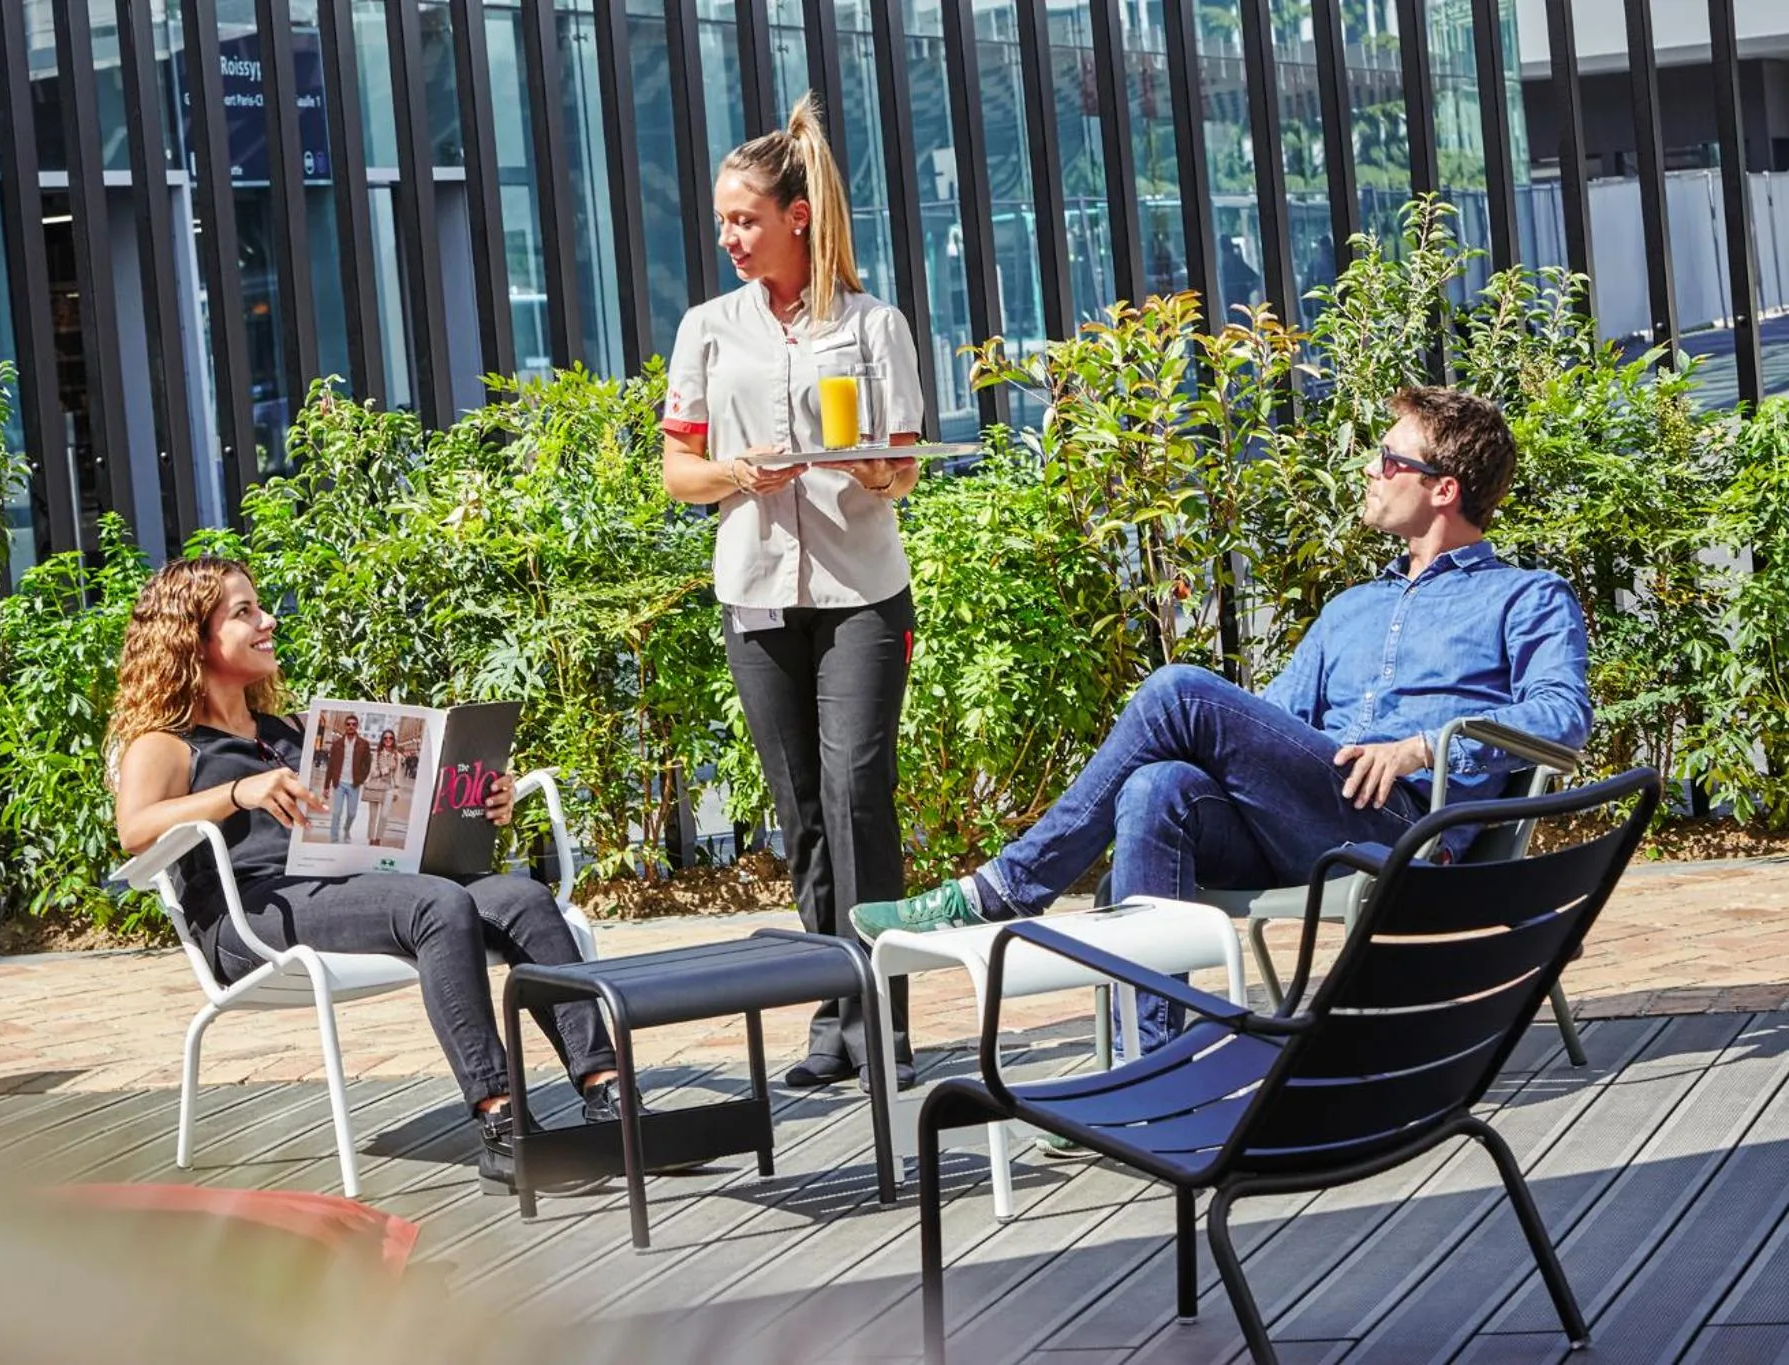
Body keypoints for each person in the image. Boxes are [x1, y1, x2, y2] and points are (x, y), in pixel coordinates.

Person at [849, 387, 1593, 1056]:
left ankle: (1002, 891)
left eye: (1389, 459)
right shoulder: (1351, 608)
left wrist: (1416, 749)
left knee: (1178, 691)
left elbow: (1563, 716)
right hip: (1306, 820)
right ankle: (1148, 1067)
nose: (1370, 468)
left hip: (1402, 835)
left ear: (1444, 489)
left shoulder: (1525, 597)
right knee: (1158, 787)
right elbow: (1274, 724)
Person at [109, 556, 630, 1195]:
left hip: (348, 886)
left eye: (259, 606)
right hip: (254, 915)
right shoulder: (166, 744)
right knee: (436, 905)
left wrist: (478, 795)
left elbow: (393, 816)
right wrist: (240, 791)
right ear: (192, 635)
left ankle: (608, 1097)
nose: (267, 620)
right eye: (244, 612)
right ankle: (501, 1125)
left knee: (521, 897)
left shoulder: (294, 731)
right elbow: (135, 829)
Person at [662, 90, 927, 1094]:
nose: (728, 237)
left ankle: (885, 1023)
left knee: (858, 793)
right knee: (801, 811)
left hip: (862, 591)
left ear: (795, 217)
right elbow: (677, 474)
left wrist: (874, 474)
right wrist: (738, 473)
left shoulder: (871, 326)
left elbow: (899, 463)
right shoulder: (707, 329)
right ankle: (834, 1014)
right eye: (722, 221)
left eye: (743, 219)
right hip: (757, 596)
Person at [325, 714, 371, 842]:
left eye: (353, 724)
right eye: (348, 724)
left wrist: (361, 778)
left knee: (352, 813)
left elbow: (367, 764)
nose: (351, 726)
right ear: (345, 726)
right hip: (339, 783)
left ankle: (346, 830)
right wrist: (326, 786)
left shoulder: (364, 744)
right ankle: (334, 838)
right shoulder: (337, 744)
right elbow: (331, 765)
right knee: (336, 813)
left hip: (354, 784)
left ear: (357, 727)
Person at [362, 728, 401, 845]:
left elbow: (397, 774)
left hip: (389, 787)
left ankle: (378, 838)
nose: (388, 740)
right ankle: (371, 838)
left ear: (394, 740)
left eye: (390, 738)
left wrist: (397, 790)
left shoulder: (397, 756)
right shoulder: (376, 754)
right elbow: (372, 772)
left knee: (384, 816)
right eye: (385, 738)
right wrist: (384, 770)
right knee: (373, 816)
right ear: (382, 740)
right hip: (375, 786)